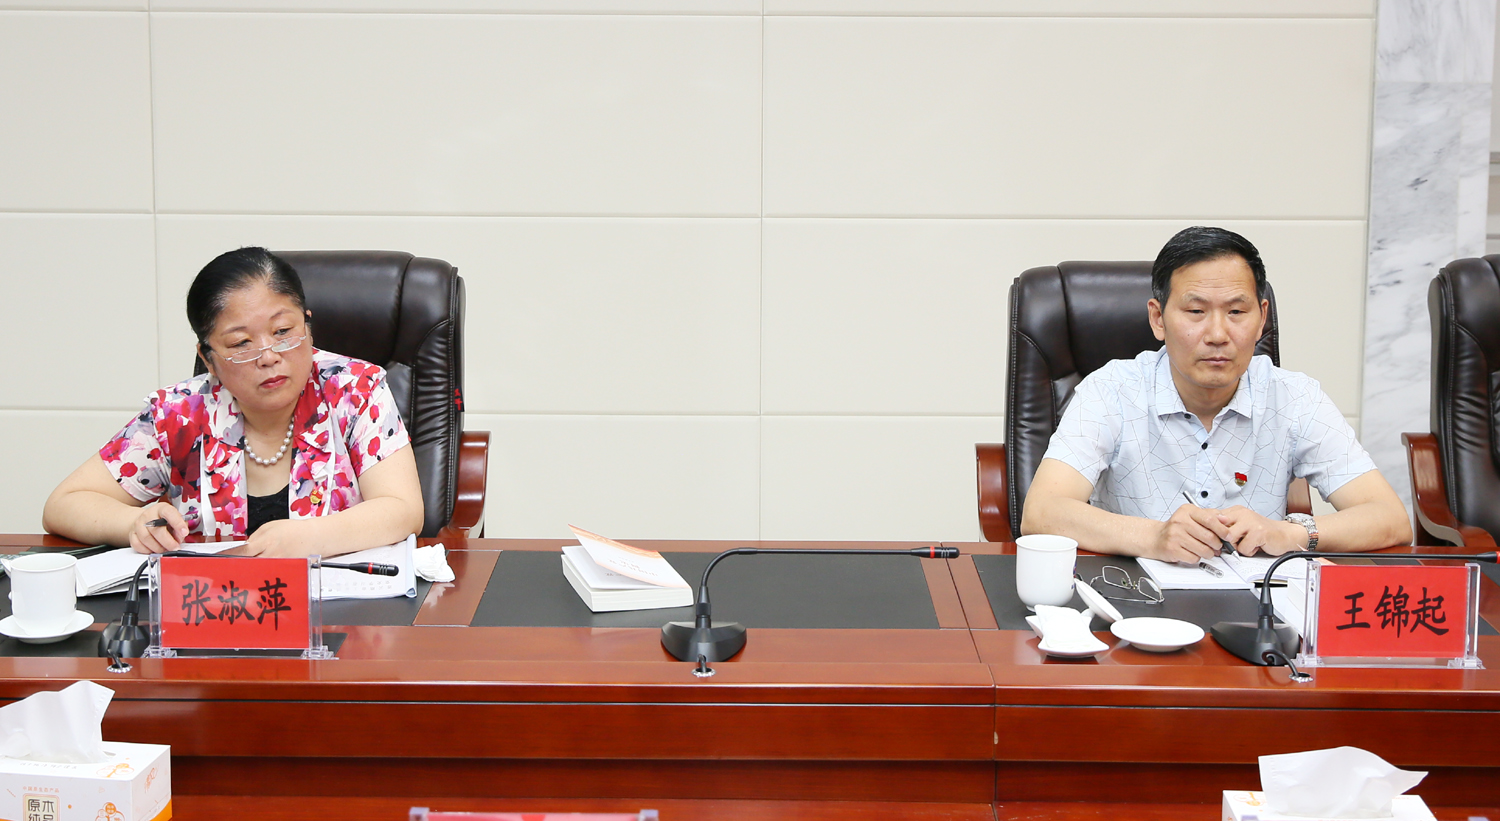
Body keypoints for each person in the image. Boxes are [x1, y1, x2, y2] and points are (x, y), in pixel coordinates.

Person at [1020, 226, 1410, 562]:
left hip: (1258, 609)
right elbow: (1041, 512)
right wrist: (1154, 537)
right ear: (1158, 318)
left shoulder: (1295, 397)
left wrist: (1290, 533)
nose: (1218, 334)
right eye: (1196, 312)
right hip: (1135, 599)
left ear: (1262, 318)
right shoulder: (1111, 391)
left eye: (1236, 312)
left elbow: (1390, 519)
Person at [43, 247, 424, 557]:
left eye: (283, 331)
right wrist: (134, 524)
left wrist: (313, 537)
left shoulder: (354, 390)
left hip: (338, 612)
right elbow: (65, 503)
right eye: (241, 343)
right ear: (208, 358)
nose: (269, 356)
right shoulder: (178, 414)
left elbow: (402, 509)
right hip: (211, 613)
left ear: (307, 326)